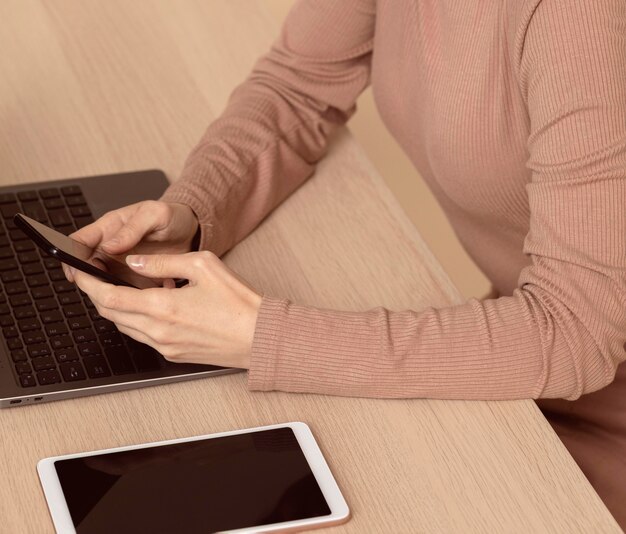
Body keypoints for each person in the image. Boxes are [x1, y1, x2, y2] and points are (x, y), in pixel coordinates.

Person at [65, 1, 626, 527]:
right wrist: (193, 212)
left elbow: (578, 328)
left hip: (596, 399)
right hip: (521, 360)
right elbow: (297, 87)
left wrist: (267, 338)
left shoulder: (583, 18)